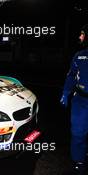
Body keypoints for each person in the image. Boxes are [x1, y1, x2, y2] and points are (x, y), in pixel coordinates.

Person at [61, 25, 88, 175]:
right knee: (78, 133)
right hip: (81, 101)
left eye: (82, 34)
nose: (80, 37)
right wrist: (66, 92)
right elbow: (71, 75)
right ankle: (79, 161)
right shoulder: (79, 55)